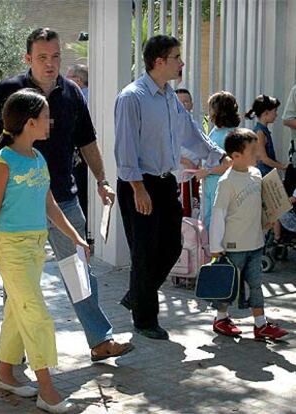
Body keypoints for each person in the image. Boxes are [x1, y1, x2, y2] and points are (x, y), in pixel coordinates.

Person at [0, 28, 133, 374]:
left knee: (79, 271)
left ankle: (100, 340)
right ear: (28, 58)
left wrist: (102, 180)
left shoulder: (71, 92)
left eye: (56, 56)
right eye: (42, 57)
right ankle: (16, 356)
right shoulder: (7, 91)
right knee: (17, 283)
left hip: (62, 201)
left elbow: (87, 140)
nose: (50, 63)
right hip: (17, 208)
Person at [0, 89, 90, 413]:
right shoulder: (2, 163)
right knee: (36, 315)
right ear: (29, 123)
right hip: (10, 249)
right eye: (44, 116)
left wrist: (77, 239)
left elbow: (51, 206)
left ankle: (4, 375)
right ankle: (47, 391)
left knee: (17, 312)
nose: (49, 121)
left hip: (36, 245)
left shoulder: (38, 158)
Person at [114, 34, 226, 340]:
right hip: (139, 183)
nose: (182, 63)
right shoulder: (131, 97)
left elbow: (190, 132)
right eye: (177, 57)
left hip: (166, 182)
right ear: (159, 61)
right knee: (145, 251)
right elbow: (124, 148)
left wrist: (217, 155)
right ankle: (145, 319)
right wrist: (138, 188)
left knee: (172, 246)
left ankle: (138, 293)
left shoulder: (168, 97)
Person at [209, 128, 288, 340]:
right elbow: (218, 214)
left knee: (255, 284)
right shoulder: (226, 182)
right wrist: (216, 246)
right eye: (252, 151)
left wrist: (269, 219)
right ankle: (220, 317)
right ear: (235, 156)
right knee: (230, 284)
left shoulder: (256, 175)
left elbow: (261, 204)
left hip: (255, 243)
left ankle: (260, 324)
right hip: (234, 246)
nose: (257, 154)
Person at [195, 91, 238, 230]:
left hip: (220, 185)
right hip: (210, 184)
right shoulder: (215, 130)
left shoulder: (230, 134)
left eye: (211, 108)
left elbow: (232, 164)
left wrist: (207, 171)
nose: (209, 112)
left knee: (217, 223)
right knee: (208, 220)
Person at [66, 63, 89, 236]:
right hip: (85, 152)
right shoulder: (90, 96)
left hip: (80, 154)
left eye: (69, 77)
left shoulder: (76, 98)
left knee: (80, 194)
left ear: (78, 80)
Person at [245, 94, 287, 176]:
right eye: (275, 111)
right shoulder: (260, 132)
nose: (276, 114)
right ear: (266, 113)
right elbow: (264, 159)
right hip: (263, 175)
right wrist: (282, 166)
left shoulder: (263, 131)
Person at [174, 88, 201, 217]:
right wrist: (186, 161)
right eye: (179, 102)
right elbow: (166, 149)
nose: (183, 105)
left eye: (186, 101)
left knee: (193, 212)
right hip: (178, 176)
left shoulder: (195, 124)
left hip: (193, 175)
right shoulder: (169, 125)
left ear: (191, 104)